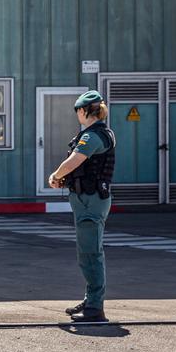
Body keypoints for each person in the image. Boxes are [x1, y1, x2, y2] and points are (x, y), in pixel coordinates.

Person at [48, 90, 115, 323]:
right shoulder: (95, 133)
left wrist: (55, 175)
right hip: (87, 198)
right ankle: (92, 300)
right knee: (87, 252)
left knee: (90, 253)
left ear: (84, 110)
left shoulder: (92, 136)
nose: (77, 114)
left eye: (78, 110)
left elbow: (75, 160)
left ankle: (95, 307)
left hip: (90, 200)